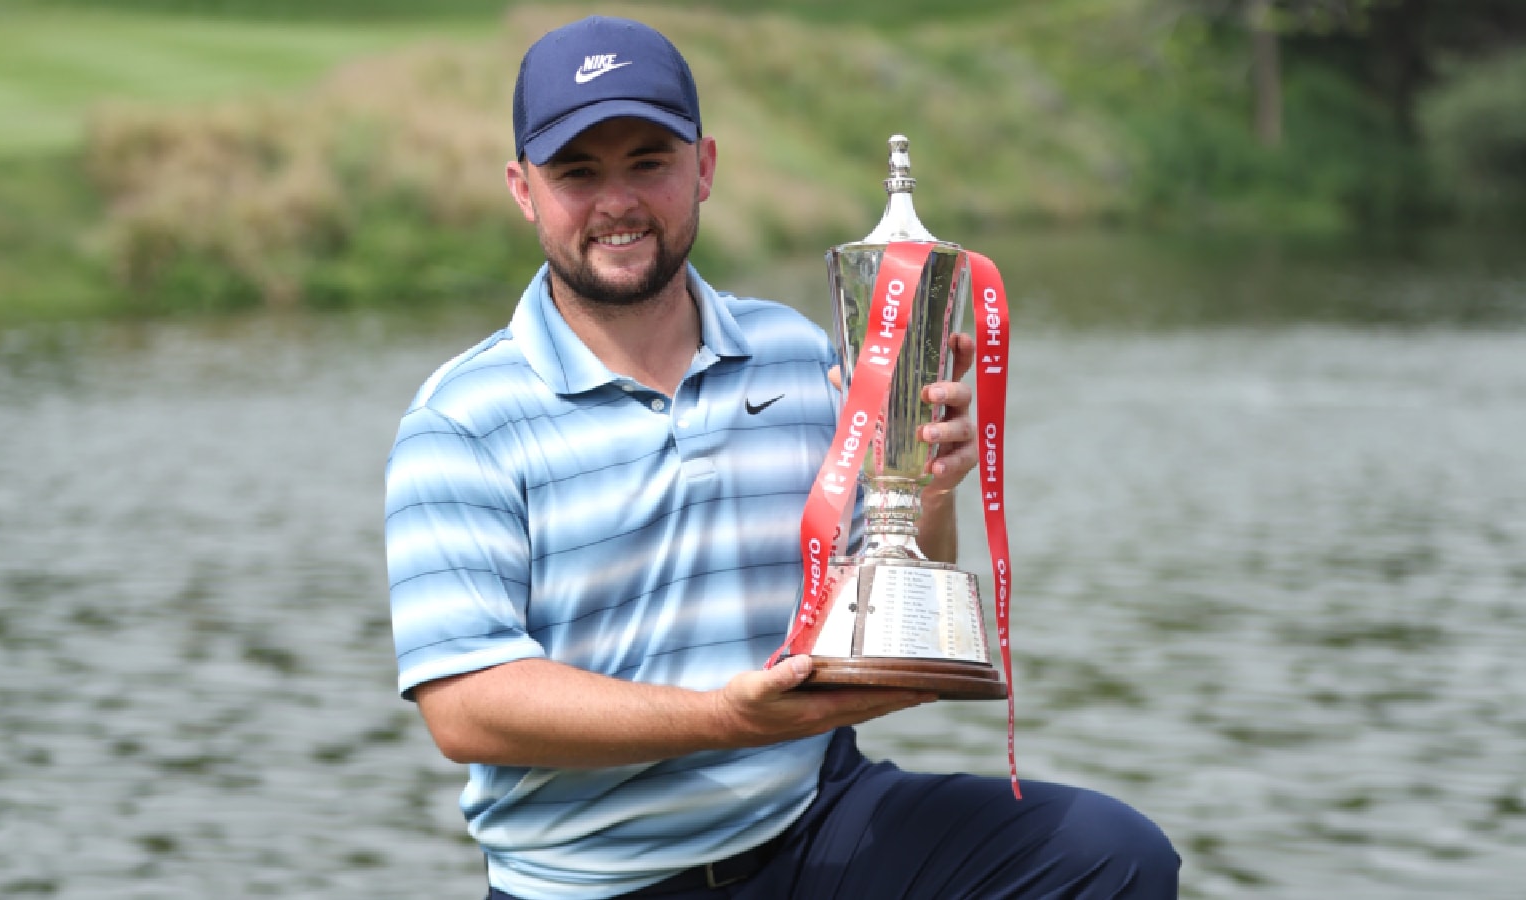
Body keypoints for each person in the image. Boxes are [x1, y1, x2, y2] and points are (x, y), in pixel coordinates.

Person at [385, 15, 1179, 900]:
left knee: (1109, 855)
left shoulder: (802, 354)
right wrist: (722, 720)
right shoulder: (460, 421)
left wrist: (926, 481)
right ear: (523, 190)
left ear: (706, 168)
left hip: (812, 819)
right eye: (577, 172)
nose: (617, 202)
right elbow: (466, 710)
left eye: (649, 161)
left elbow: (885, 595)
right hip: (598, 879)